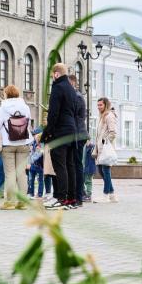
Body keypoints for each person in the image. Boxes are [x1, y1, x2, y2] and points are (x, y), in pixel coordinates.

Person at [41, 63, 78, 210]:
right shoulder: (71, 89)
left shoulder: (57, 87)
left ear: (56, 74)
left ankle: (61, 198)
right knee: (70, 165)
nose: (51, 77)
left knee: (60, 166)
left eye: (52, 74)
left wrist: (46, 133)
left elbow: (53, 113)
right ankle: (71, 199)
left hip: (60, 132)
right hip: (71, 131)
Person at [0, 85, 33, 210]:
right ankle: (22, 202)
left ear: (7, 94)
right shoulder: (25, 107)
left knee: (10, 174)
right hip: (23, 143)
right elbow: (29, 121)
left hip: (8, 144)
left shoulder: (3, 108)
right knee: (21, 173)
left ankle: (10, 202)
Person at [93, 97, 118, 203]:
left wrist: (104, 141)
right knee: (101, 171)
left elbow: (113, 132)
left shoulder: (109, 116)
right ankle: (112, 195)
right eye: (98, 105)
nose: (99, 107)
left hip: (106, 148)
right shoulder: (102, 116)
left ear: (106, 105)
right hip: (100, 148)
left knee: (106, 171)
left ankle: (105, 196)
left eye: (101, 105)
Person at [69, 74, 88, 207]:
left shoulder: (76, 96)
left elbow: (74, 116)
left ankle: (79, 196)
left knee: (77, 165)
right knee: (75, 165)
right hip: (77, 133)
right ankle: (77, 195)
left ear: (73, 83)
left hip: (77, 135)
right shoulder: (77, 96)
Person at [27, 134, 45, 199]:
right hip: (33, 165)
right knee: (31, 180)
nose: (36, 138)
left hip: (39, 165)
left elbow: (38, 155)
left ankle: (39, 194)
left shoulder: (42, 145)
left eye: (37, 137)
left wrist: (30, 162)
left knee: (40, 180)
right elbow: (30, 153)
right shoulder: (33, 144)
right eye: (35, 136)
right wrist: (29, 162)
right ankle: (31, 193)